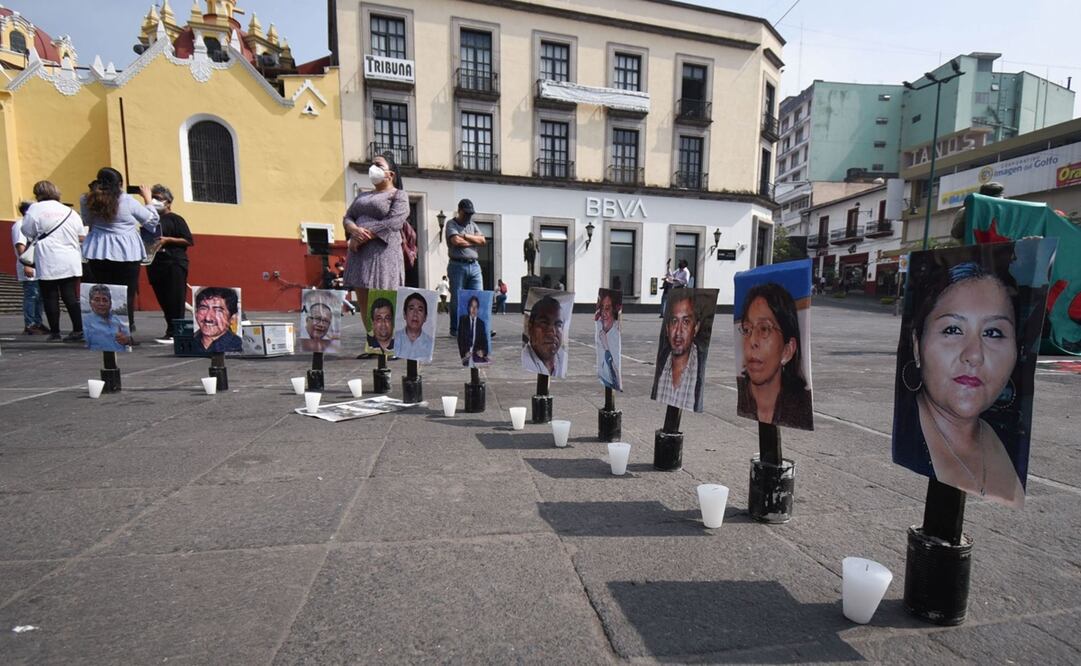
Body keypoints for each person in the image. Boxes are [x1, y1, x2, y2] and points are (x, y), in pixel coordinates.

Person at [896, 261, 1026, 508]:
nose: (974, 355)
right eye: (953, 330)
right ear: (917, 345)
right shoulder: (907, 432)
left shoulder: (1011, 439)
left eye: (993, 333)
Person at [81, 167, 160, 340]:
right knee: (127, 293)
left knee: (104, 292)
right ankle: (125, 332)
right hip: (126, 250)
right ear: (119, 184)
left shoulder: (87, 199)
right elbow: (151, 220)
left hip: (99, 249)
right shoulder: (126, 200)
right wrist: (148, 199)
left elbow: (86, 220)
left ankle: (107, 332)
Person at [736, 282, 813, 429]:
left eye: (764, 329)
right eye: (746, 330)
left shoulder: (799, 409)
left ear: (787, 350)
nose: (752, 341)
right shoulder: (742, 396)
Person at [21, 181, 85, 342]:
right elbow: (80, 232)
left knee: (50, 296)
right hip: (70, 257)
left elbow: (26, 230)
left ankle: (55, 332)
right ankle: (78, 329)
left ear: (37, 194)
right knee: (70, 295)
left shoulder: (35, 209)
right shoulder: (69, 211)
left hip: (47, 257)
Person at [342, 152, 409, 290]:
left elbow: (394, 221)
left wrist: (362, 237)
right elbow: (348, 216)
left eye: (378, 165)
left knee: (381, 300)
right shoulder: (362, 196)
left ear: (391, 174)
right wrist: (354, 230)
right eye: (372, 164)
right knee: (363, 299)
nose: (373, 168)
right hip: (359, 255)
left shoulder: (399, 195)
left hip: (383, 254)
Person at [144, 185, 193, 343]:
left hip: (174, 262)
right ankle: (170, 329)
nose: (154, 201)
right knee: (164, 299)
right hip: (156, 264)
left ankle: (177, 332)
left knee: (175, 299)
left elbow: (188, 240)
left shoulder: (176, 219)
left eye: (158, 198)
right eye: (152, 197)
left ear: (168, 202)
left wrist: (168, 240)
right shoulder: (150, 220)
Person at [652, 289, 706, 412]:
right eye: (674, 321)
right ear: (667, 328)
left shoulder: (698, 367)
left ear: (695, 328)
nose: (678, 332)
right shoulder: (662, 364)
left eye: (686, 322)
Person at [445, 199, 486, 337]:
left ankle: (476, 327)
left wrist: (465, 236)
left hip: (474, 265)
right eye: (466, 213)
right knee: (457, 299)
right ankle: (456, 329)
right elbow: (456, 241)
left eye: (470, 214)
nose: (468, 216)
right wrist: (474, 241)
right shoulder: (451, 223)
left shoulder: (472, 225)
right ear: (459, 211)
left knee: (477, 296)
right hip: (457, 265)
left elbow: (483, 240)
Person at [11, 201, 47, 335]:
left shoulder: (32, 226)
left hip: (38, 267)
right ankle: (30, 324)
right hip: (28, 267)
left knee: (39, 297)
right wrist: (27, 265)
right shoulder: (20, 225)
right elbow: (20, 245)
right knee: (32, 296)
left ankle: (38, 322)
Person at [522, 295, 567, 377]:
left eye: (558, 325)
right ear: (530, 327)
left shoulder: (563, 358)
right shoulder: (525, 362)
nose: (552, 332)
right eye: (544, 323)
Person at [83, 284, 133, 352]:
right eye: (97, 300)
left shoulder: (118, 320)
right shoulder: (86, 323)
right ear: (90, 303)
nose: (101, 303)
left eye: (105, 300)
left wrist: (126, 340)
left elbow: (129, 342)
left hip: (121, 357)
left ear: (110, 303)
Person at [193, 287, 242, 352]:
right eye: (203, 308)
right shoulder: (189, 342)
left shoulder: (238, 346)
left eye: (218, 310)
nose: (208, 318)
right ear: (196, 313)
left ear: (232, 318)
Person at [394, 291, 434, 360]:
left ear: (425, 317)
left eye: (420, 310)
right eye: (411, 309)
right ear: (404, 314)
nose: (415, 314)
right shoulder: (394, 340)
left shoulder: (430, 343)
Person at [595, 290, 621, 390]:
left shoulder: (614, 333)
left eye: (607, 308)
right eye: (602, 308)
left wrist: (606, 347)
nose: (603, 313)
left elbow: (616, 378)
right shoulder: (601, 329)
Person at [456, 294, 489, 366]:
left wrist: (483, 352)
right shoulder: (463, 320)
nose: (474, 309)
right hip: (466, 355)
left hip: (477, 355)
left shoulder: (481, 323)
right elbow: (460, 340)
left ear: (478, 309)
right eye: (472, 306)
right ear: (468, 307)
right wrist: (464, 352)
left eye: (476, 307)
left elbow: (485, 342)